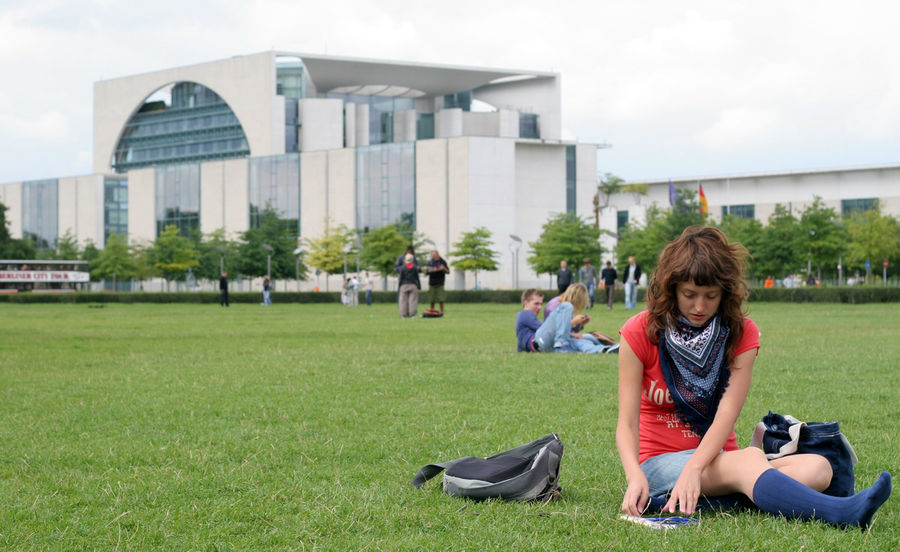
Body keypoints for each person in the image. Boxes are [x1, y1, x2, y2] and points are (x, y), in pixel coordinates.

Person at [616, 225, 891, 528]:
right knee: (750, 461)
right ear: (672, 289)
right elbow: (627, 424)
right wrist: (634, 476)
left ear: (726, 293)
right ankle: (841, 514)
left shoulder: (741, 333)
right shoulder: (640, 331)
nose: (699, 306)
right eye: (689, 294)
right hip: (660, 463)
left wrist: (695, 467)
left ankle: (702, 497)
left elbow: (726, 415)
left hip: (718, 458)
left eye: (711, 296)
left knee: (818, 469)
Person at [534, 283, 618, 354]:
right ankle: (561, 348)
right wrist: (573, 322)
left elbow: (565, 332)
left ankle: (605, 349)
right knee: (580, 339)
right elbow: (553, 331)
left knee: (587, 339)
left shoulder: (566, 308)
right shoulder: (558, 305)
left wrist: (580, 324)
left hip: (557, 342)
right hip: (544, 340)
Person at [425, 250, 450, 314]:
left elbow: (448, 272)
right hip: (432, 283)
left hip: (440, 283)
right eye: (433, 256)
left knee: (441, 299)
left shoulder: (442, 262)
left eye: (435, 255)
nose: (434, 257)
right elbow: (426, 273)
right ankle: (432, 311)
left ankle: (442, 312)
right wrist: (427, 270)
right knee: (432, 300)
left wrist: (443, 268)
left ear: (438, 255)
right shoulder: (430, 262)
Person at [397, 253, 420, 318]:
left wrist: (399, 286)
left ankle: (403, 315)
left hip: (404, 285)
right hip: (413, 285)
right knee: (413, 301)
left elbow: (401, 277)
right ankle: (412, 314)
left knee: (403, 301)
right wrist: (419, 286)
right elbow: (417, 277)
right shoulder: (415, 268)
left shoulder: (402, 268)